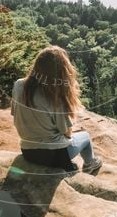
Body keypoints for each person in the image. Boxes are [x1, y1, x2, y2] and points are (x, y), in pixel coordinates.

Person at [11, 45, 102, 174]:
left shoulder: (18, 85)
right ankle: (90, 164)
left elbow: (14, 114)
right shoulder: (55, 97)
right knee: (85, 136)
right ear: (62, 71)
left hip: (28, 151)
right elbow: (67, 133)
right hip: (55, 156)